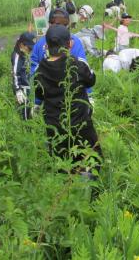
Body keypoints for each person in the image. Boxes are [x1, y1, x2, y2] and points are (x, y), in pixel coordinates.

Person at [34, 25, 100, 169]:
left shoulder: (40, 70)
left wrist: (37, 106)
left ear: (46, 45)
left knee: (62, 163)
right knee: (91, 159)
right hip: (80, 124)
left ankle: (67, 186)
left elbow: (39, 93)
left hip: (54, 127)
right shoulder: (76, 64)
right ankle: (89, 187)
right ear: (70, 44)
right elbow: (91, 80)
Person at [30, 8, 91, 106]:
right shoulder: (74, 42)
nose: (58, 28)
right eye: (55, 24)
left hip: (63, 100)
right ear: (49, 24)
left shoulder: (75, 42)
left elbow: (34, 73)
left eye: (62, 25)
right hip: (69, 101)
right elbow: (86, 72)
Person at [11, 32, 36, 120]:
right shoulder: (17, 56)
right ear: (21, 44)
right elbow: (15, 73)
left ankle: (28, 121)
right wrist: (17, 90)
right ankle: (26, 125)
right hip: (22, 87)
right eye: (29, 48)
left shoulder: (24, 53)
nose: (30, 50)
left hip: (27, 85)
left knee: (28, 105)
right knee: (24, 108)